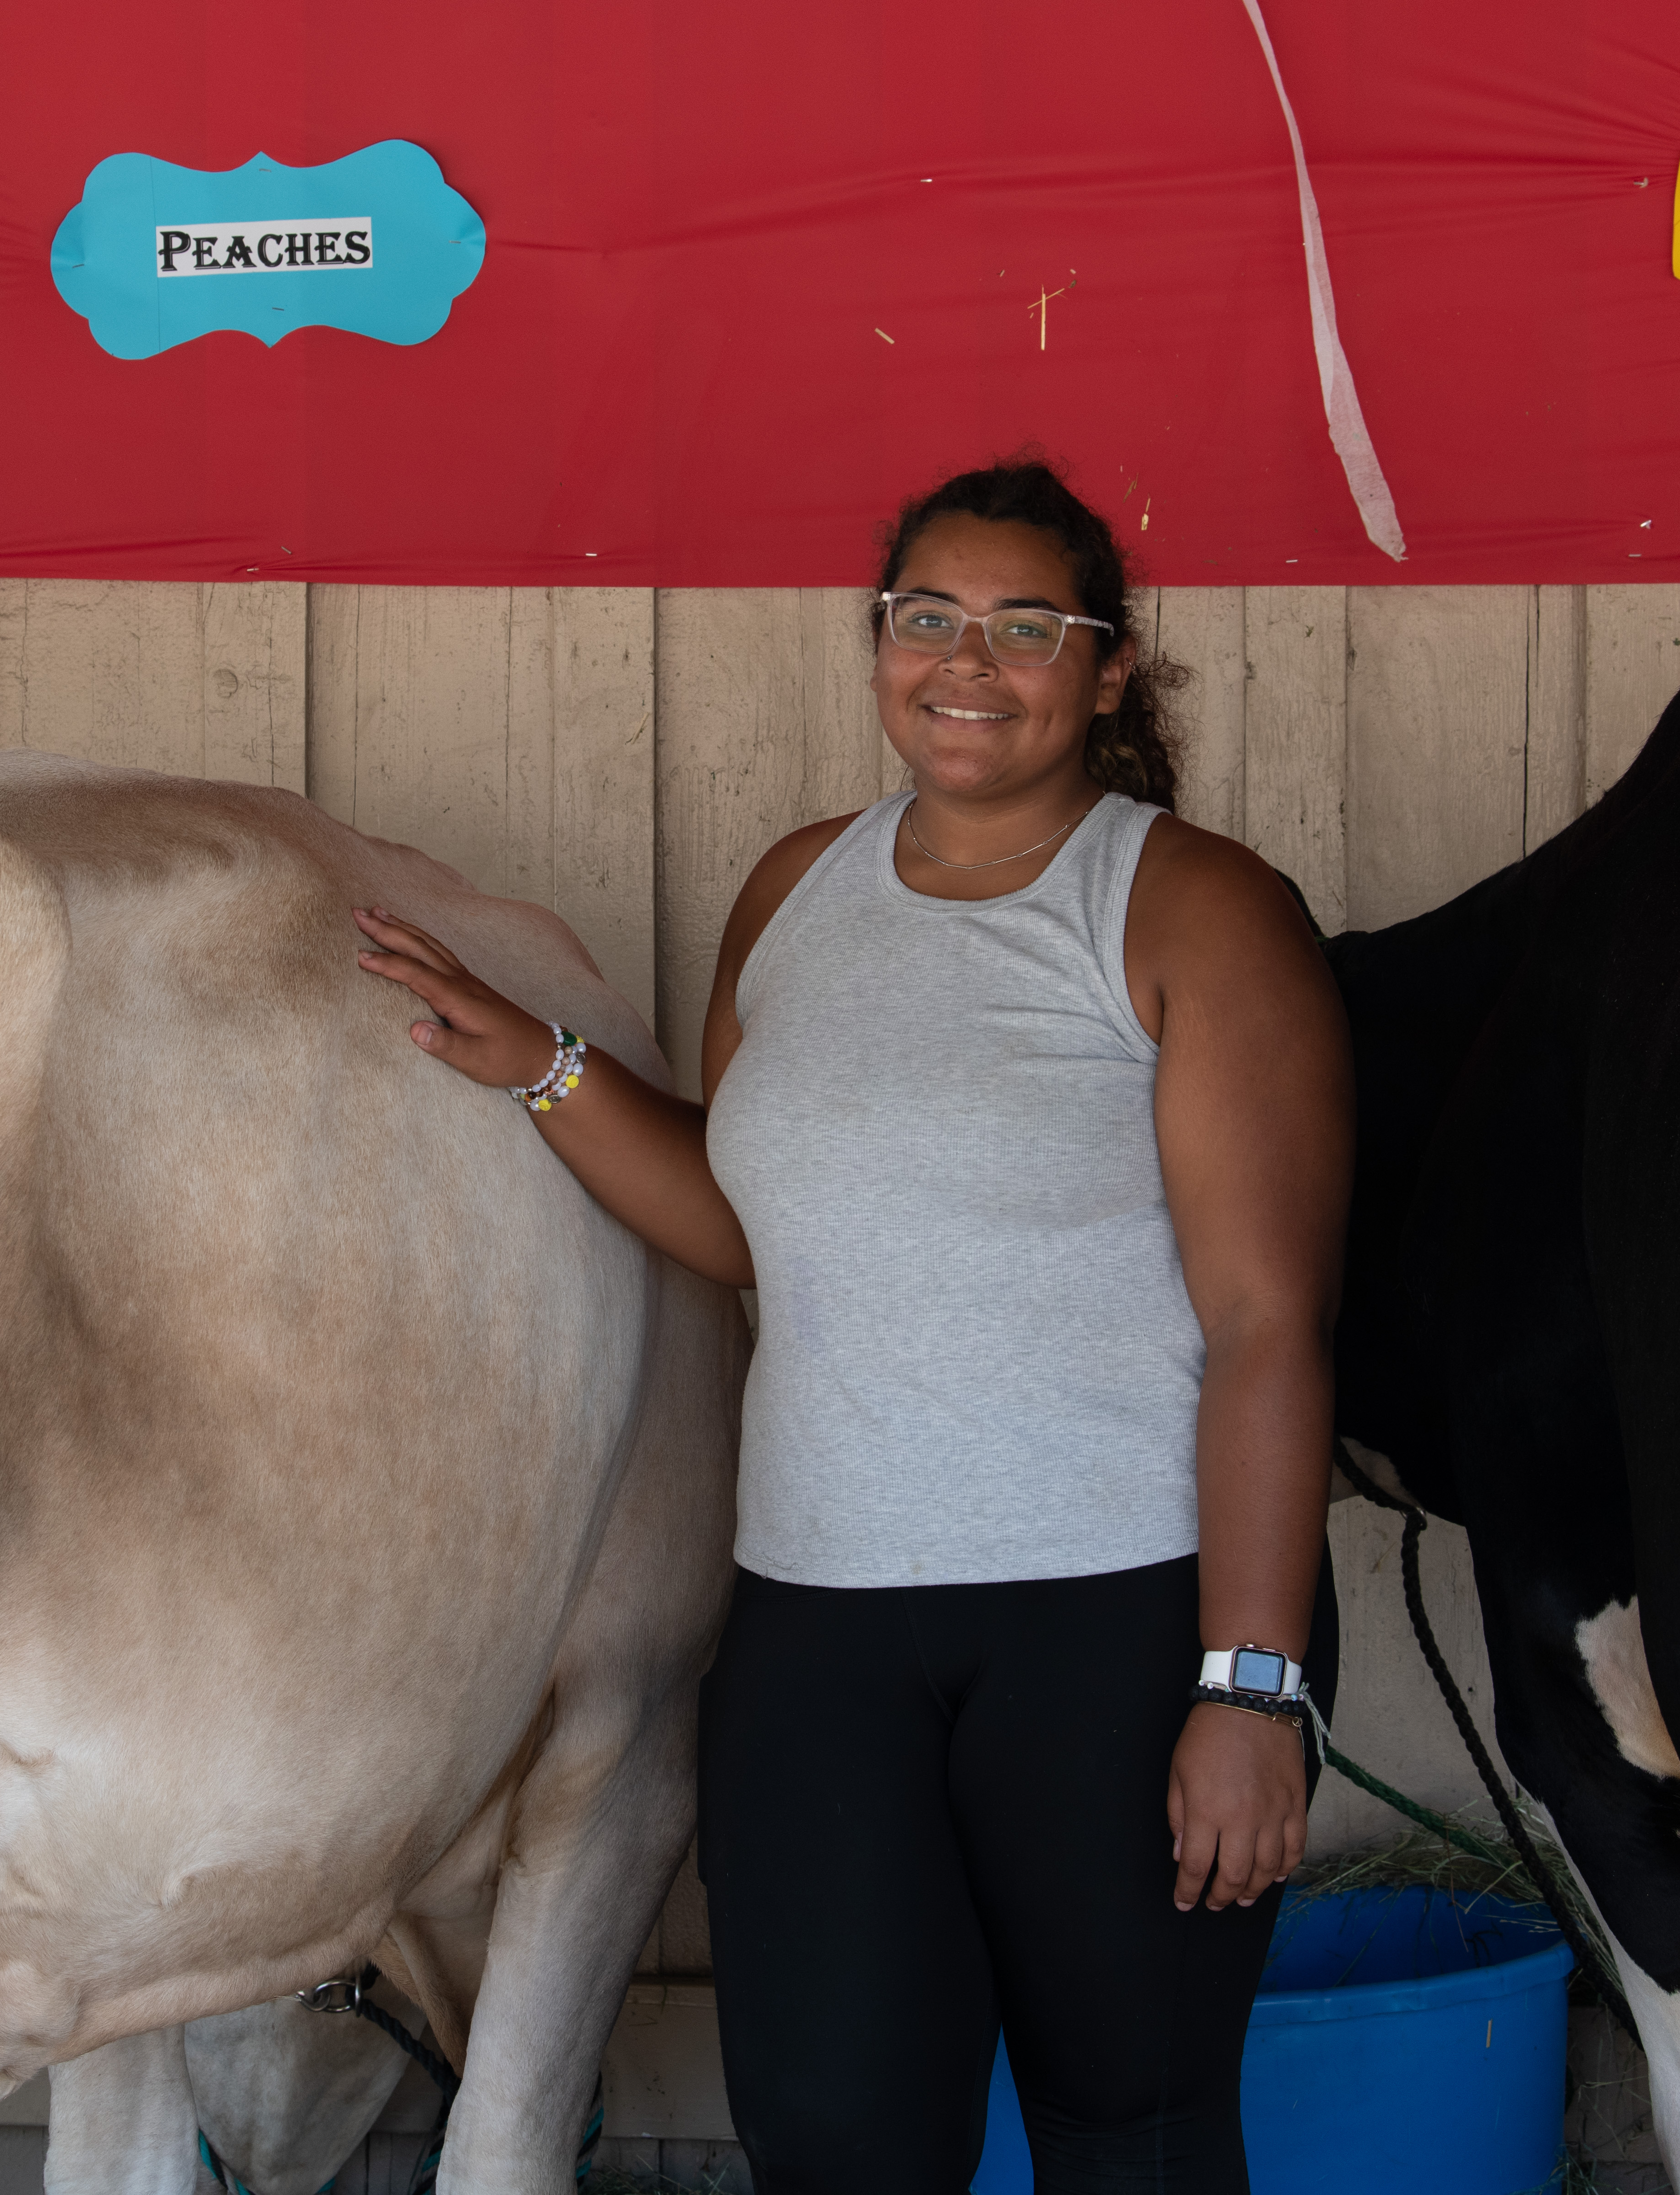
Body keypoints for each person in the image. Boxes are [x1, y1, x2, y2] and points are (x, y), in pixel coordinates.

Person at [355, 460, 1353, 2192]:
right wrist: (549, 1068)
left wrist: (1251, 1688)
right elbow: (753, 1232)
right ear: (878, 643)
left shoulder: (1189, 909)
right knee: (831, 2141)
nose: (969, 664)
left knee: (1136, 2135)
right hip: (822, 1635)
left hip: (1120, 1624)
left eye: (1026, 627)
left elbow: (1269, 1322)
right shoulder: (799, 892)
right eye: (929, 620)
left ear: (1108, 668)